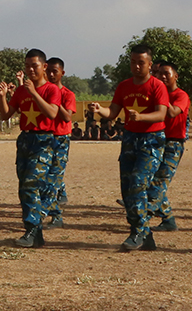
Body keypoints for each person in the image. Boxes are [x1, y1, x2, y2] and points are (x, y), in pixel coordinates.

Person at [90, 44, 168, 250]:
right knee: (127, 189)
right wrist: (100, 110)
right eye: (133, 62)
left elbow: (161, 114)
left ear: (150, 65)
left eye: (140, 63)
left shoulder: (157, 86)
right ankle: (145, 234)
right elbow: (113, 112)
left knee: (137, 183)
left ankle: (138, 232)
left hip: (151, 140)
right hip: (130, 139)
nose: (136, 66)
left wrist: (140, 116)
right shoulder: (124, 86)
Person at [0, 48, 60, 248]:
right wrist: (2, 96)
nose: (31, 70)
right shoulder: (21, 91)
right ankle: (35, 232)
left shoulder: (51, 90)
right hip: (25, 140)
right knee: (24, 186)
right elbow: (6, 115)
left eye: (34, 66)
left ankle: (32, 229)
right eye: (27, 66)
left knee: (31, 185)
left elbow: (52, 113)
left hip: (43, 141)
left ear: (44, 67)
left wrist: (34, 93)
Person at [146, 61, 189, 232]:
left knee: (160, 181)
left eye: (167, 74)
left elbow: (172, 112)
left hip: (174, 144)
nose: (162, 77)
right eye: (159, 74)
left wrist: (162, 95)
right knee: (153, 178)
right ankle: (168, 220)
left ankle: (145, 211)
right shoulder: (156, 94)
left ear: (175, 76)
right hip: (157, 140)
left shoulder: (182, 96)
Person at [43, 57, 76, 229]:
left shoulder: (68, 94)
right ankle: (54, 212)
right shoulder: (44, 91)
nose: (50, 74)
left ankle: (54, 215)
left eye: (54, 71)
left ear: (62, 73)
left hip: (61, 138)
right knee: (44, 178)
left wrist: (56, 101)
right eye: (48, 71)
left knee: (53, 179)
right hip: (45, 137)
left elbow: (67, 117)